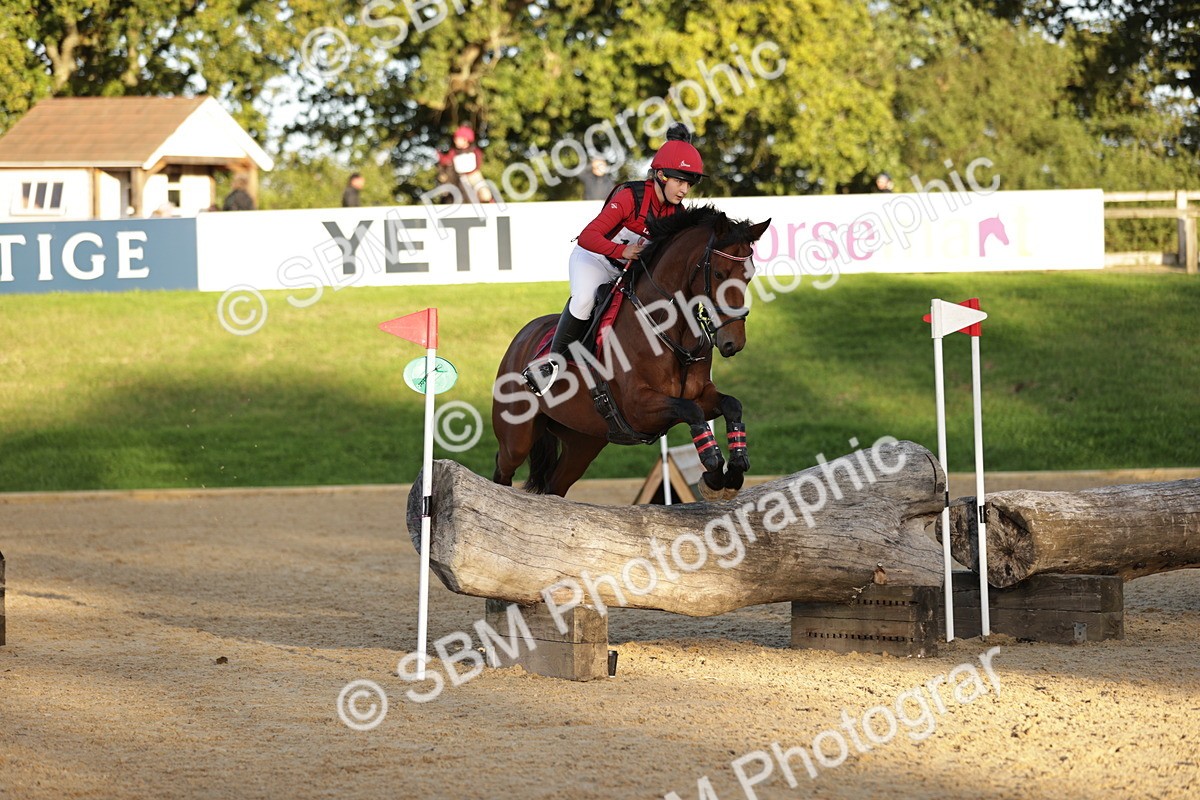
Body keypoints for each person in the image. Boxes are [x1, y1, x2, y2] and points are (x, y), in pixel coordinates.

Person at [521, 123, 704, 396]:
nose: (683, 190)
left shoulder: (677, 212)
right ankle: (551, 363)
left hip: (626, 272)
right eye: (679, 181)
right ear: (661, 176)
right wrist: (622, 252)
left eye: (688, 184)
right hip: (594, 259)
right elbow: (587, 237)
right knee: (584, 299)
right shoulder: (629, 196)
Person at [436, 125, 493, 203]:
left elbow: (478, 163)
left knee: (485, 195)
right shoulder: (453, 152)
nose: (455, 141)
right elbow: (446, 161)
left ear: (465, 140)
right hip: (459, 177)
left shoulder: (474, 150)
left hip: (473, 176)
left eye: (458, 139)